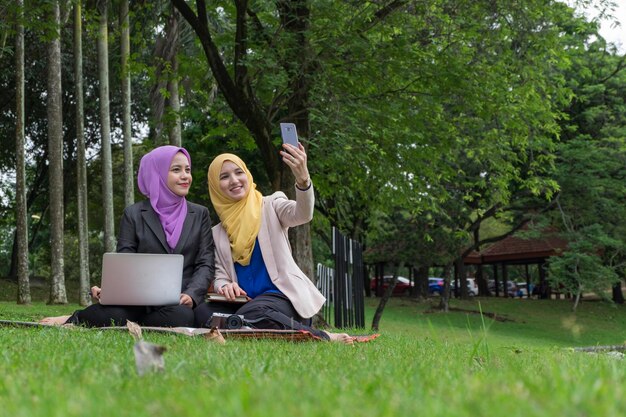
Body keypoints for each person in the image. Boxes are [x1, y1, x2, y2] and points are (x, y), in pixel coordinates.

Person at [194, 143, 352, 343]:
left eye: (238, 172)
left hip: (283, 298)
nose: (234, 180)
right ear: (215, 187)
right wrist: (224, 286)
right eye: (224, 177)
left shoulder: (271, 205)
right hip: (244, 303)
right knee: (202, 312)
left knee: (256, 311)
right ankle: (244, 327)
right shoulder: (216, 233)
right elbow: (220, 276)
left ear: (247, 175)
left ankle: (323, 336)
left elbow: (302, 214)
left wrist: (303, 180)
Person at [40, 145, 214, 327]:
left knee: (182, 318)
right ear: (157, 174)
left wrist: (192, 294)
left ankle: (132, 323)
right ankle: (77, 317)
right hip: (137, 300)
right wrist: (111, 291)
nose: (185, 176)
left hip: (177, 301)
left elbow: (206, 262)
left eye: (187, 170)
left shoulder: (200, 214)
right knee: (112, 315)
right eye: (176, 170)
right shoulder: (134, 214)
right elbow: (125, 261)